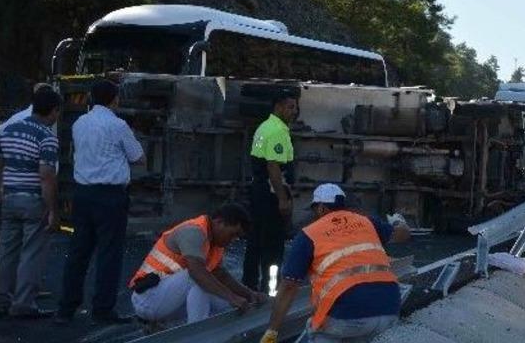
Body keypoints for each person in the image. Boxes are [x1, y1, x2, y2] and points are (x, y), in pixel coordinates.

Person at [260, 183, 410, 343]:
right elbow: (402, 235)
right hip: (390, 307)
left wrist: (272, 331)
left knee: (322, 332)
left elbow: (289, 286)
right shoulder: (367, 222)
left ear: (321, 208)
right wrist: (398, 222)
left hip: (346, 313)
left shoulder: (309, 234)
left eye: (314, 209)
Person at [55, 80, 144, 324]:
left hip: (82, 193)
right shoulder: (118, 125)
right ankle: (103, 309)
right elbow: (137, 156)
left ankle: (66, 308)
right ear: (114, 99)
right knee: (109, 253)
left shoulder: (79, 123)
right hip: (110, 196)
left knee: (78, 252)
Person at [129, 203, 266, 325]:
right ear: (219, 222)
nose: (233, 240)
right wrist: (233, 297)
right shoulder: (193, 231)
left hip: (167, 300)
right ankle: (197, 336)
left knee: (225, 303)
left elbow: (221, 275)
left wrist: (248, 294)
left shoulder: (216, 243)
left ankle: (201, 332)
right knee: (198, 278)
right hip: (147, 300)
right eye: (232, 234)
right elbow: (197, 273)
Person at [0, 88, 62, 318]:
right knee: (31, 253)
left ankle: (1, 299)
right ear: (54, 111)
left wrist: (1, 190)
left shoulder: (8, 130)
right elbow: (46, 176)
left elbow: (0, 163)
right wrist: (53, 210)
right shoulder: (46, 137)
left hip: (9, 198)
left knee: (6, 251)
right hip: (33, 200)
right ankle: (23, 304)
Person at [242, 92, 299, 292]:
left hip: (259, 191)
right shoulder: (277, 131)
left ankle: (248, 285)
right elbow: (273, 167)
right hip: (271, 193)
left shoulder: (264, 127)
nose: (294, 112)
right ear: (279, 107)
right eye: (291, 107)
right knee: (274, 247)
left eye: (295, 107)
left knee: (255, 241)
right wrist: (283, 200)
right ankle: (271, 289)